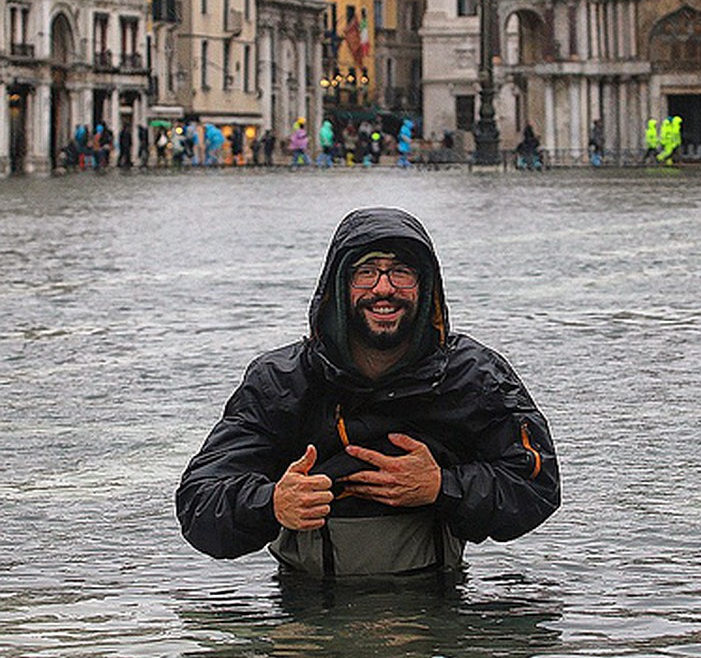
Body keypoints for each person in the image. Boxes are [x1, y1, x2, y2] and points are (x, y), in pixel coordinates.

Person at [176, 207, 561, 579]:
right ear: (339, 287)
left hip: (435, 605)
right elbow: (198, 503)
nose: (383, 288)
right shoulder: (280, 381)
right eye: (366, 273)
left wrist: (441, 487)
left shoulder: (474, 375)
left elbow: (537, 486)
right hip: (306, 610)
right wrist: (272, 503)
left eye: (401, 273)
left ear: (426, 287)